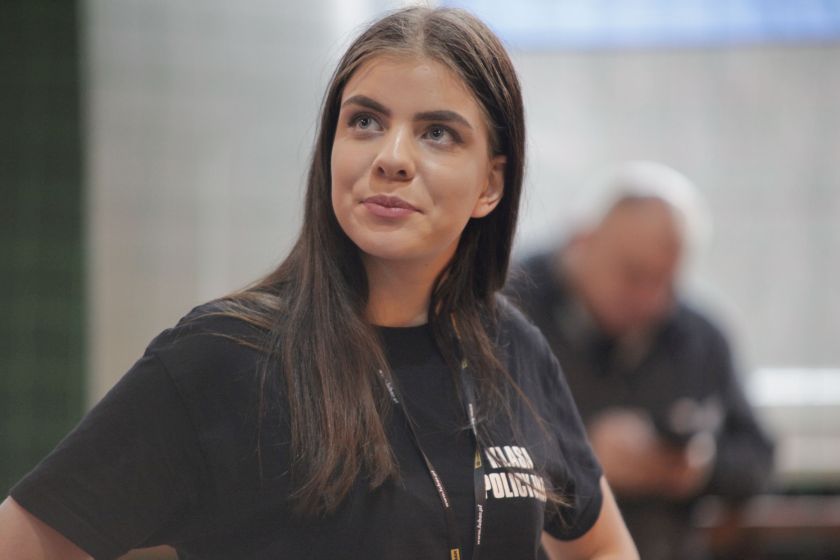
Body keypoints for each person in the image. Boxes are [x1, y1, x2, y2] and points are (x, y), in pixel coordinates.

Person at [0, 8, 637, 560]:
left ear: (490, 185)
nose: (391, 157)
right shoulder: (223, 356)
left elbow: (600, 544)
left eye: (436, 133)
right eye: (365, 122)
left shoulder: (510, 346)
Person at [507, 161, 775, 560]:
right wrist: (581, 454)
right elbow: (462, 444)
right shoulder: (505, 308)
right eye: (633, 275)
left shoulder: (698, 336)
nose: (649, 298)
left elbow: (758, 456)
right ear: (582, 242)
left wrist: (700, 468)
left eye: (665, 280)